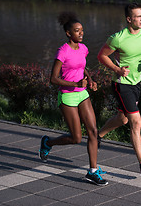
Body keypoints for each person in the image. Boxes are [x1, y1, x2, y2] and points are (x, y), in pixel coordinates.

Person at [39, 12, 108, 186]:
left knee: (93, 131)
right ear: (68, 33)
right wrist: (74, 83)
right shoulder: (62, 51)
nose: (81, 33)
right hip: (68, 96)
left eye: (82, 31)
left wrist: (90, 80)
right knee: (76, 138)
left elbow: (82, 67)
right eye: (77, 31)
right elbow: (53, 79)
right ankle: (48, 142)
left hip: (82, 93)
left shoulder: (83, 48)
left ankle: (93, 171)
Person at [97, 2, 141, 176]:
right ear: (129, 19)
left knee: (122, 119)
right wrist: (117, 69)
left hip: (136, 84)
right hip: (121, 84)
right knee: (136, 121)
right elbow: (101, 55)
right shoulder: (118, 38)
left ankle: (97, 136)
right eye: (138, 16)